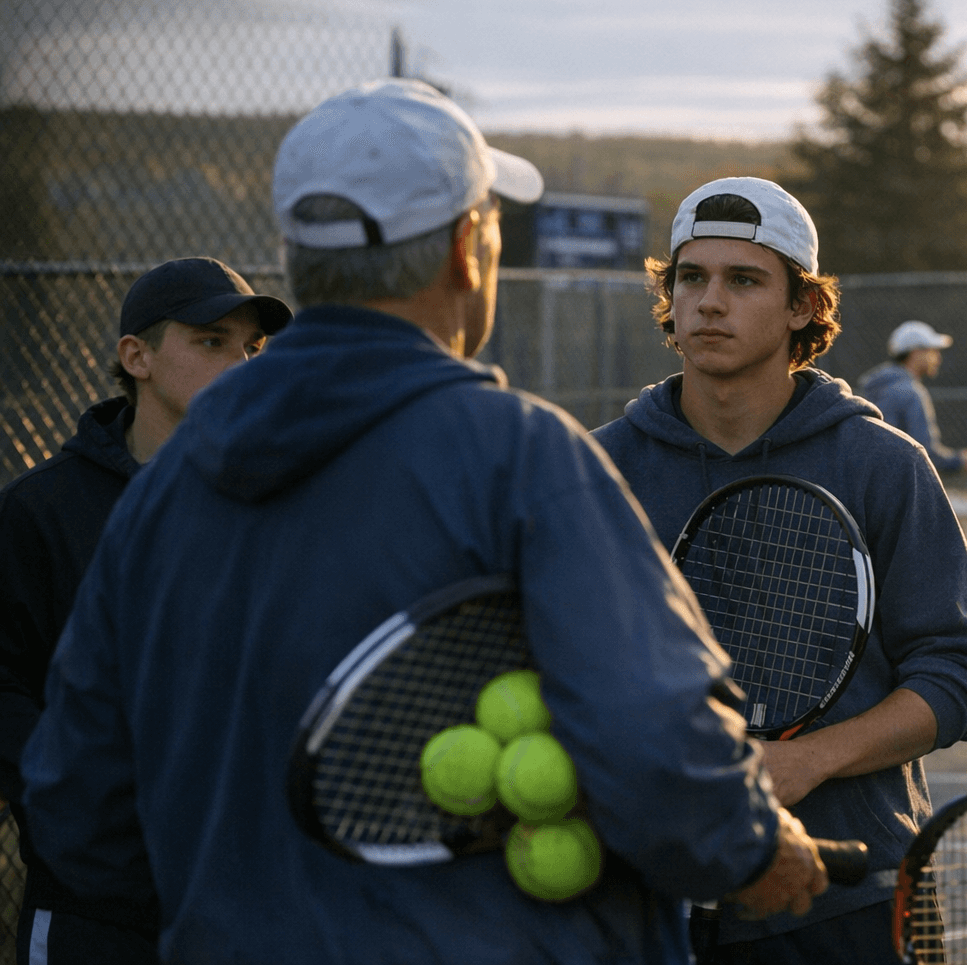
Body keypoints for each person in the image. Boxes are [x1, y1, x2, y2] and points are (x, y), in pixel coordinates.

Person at [20, 80, 832, 965]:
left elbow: (77, 808)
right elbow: (659, 752)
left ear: (297, 255)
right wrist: (757, 852)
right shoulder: (521, 458)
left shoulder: (158, 492)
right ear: (465, 250)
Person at [592, 177, 967, 964]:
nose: (710, 302)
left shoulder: (882, 465)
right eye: (691, 277)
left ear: (802, 308)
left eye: (744, 280)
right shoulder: (596, 469)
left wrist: (808, 758)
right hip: (646, 902)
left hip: (849, 898)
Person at [0, 257, 292, 965]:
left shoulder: (279, 503)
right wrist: (93, 821)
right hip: (94, 913)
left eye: (252, 348)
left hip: (245, 907)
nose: (242, 364)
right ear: (138, 357)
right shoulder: (42, 510)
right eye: (211, 341)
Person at [856, 320, 967, 474]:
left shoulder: (874, 387)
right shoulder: (911, 393)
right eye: (933, 350)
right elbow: (924, 454)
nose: (938, 358)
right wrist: (960, 461)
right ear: (916, 352)